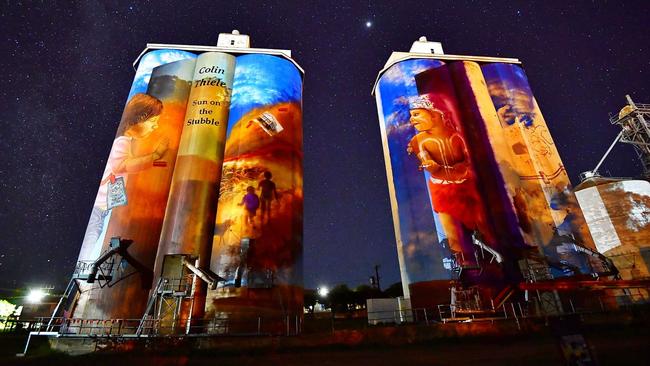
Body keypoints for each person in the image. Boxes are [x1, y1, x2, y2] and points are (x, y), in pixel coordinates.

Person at [78, 93, 167, 261]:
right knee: (89, 250)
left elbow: (125, 168)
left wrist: (155, 164)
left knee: (95, 245)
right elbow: (125, 165)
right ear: (140, 118)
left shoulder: (125, 141)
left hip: (103, 211)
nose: (155, 127)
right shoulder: (122, 142)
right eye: (153, 122)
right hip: (99, 211)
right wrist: (155, 156)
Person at [406, 95, 492, 265]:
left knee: (484, 227)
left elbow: (470, 161)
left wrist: (460, 170)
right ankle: (466, 267)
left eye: (416, 114)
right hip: (442, 189)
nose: (411, 119)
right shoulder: (418, 140)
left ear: (434, 113)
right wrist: (431, 165)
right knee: (453, 234)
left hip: (467, 187)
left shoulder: (459, 136)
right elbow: (427, 162)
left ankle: (494, 262)